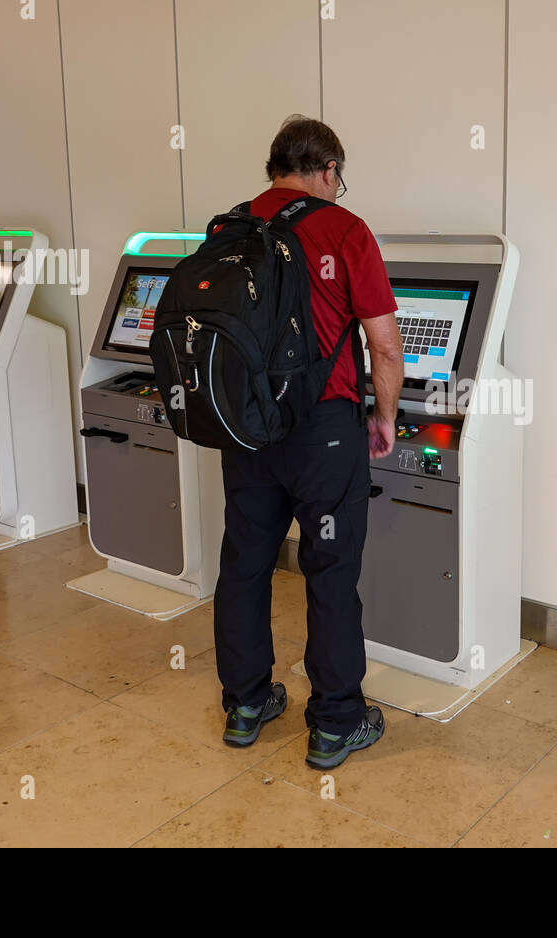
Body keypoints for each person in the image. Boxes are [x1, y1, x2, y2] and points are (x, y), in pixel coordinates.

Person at [214, 115, 404, 769]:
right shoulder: (344, 229)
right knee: (329, 571)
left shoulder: (228, 228)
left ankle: (244, 704)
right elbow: (383, 344)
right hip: (324, 432)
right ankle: (335, 723)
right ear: (326, 170)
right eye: (337, 178)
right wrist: (382, 416)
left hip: (244, 429)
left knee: (244, 564)